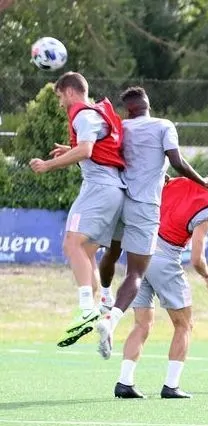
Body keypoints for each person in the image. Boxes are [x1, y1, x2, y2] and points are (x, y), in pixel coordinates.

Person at [95, 86, 208, 360]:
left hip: (118, 199)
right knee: (136, 272)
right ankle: (110, 321)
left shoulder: (121, 127)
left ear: (128, 110)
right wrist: (203, 182)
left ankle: (104, 297)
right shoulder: (163, 125)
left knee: (112, 252)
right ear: (148, 104)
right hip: (144, 206)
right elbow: (177, 161)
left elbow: (102, 154)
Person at [28, 72, 126, 350]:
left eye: (60, 96)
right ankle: (96, 307)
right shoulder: (93, 115)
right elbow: (92, 148)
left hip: (99, 189)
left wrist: (47, 165)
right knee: (85, 251)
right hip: (110, 190)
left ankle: (86, 310)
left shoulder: (83, 115)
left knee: (71, 244)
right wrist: (68, 149)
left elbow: (85, 151)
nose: (60, 103)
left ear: (70, 92)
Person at [113, 172, 208, 399]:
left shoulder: (179, 181)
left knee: (141, 324)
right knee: (184, 325)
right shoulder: (205, 211)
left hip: (139, 252)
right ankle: (171, 386)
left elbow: (158, 178)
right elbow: (197, 259)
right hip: (164, 259)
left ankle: (124, 382)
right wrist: (206, 275)